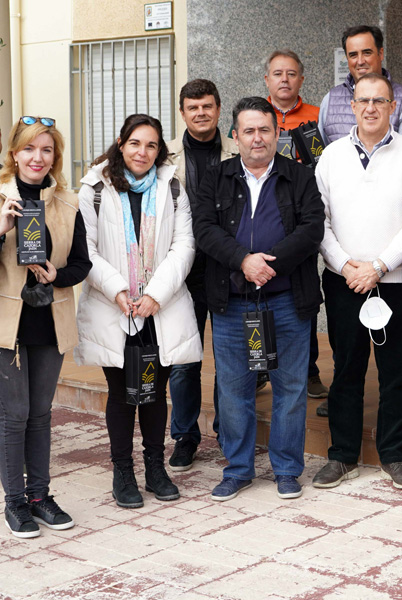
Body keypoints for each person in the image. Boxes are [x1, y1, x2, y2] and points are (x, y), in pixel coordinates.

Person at [192, 97, 324, 502]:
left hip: (287, 301)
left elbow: (313, 227)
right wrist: (243, 261)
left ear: (278, 133)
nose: (257, 138)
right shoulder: (216, 177)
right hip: (232, 303)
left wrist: (271, 265)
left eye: (265, 130)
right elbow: (204, 228)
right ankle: (238, 470)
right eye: (248, 130)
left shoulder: (299, 176)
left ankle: (287, 470)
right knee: (233, 391)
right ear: (235, 136)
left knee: (290, 389)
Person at [75, 114, 202, 509]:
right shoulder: (94, 188)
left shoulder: (173, 186)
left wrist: (155, 296)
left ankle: (155, 467)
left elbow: (185, 246)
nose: (142, 152)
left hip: (158, 307)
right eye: (135, 143)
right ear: (120, 143)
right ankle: (122, 470)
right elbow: (86, 250)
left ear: (159, 148)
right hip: (114, 306)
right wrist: (118, 290)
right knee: (120, 394)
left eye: (150, 145)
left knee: (154, 391)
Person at [313, 73, 402, 491]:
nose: (370, 108)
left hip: (395, 280)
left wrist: (378, 266)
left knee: (397, 372)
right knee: (346, 369)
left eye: (379, 101)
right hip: (344, 280)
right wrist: (346, 265)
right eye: (362, 101)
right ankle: (342, 455)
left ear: (392, 107)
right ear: (353, 106)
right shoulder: (330, 157)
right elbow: (319, 221)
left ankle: (394, 456)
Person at [0, 117, 90, 537]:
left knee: (39, 415)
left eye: (47, 150)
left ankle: (39, 497)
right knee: (14, 416)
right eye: (29, 149)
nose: (38, 157)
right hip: (8, 325)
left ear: (54, 157)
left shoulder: (68, 203)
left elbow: (82, 264)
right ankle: (14, 503)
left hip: (49, 321)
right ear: (14, 153)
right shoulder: (1, 198)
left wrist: (59, 276)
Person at [165, 78, 239, 472]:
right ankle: (185, 436)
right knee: (183, 360)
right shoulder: (164, 156)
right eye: (193, 108)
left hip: (227, 268)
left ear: (218, 108)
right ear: (182, 113)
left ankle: (228, 432)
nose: (200, 113)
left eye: (207, 106)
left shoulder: (238, 151)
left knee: (228, 357)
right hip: (182, 271)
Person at [263, 49, 329, 404]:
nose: (284, 79)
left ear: (301, 80)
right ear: (267, 80)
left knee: (304, 294)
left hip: (304, 216)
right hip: (264, 216)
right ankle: (261, 368)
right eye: (278, 73)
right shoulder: (255, 115)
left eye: (291, 74)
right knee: (260, 294)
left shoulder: (318, 116)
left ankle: (309, 370)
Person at [319, 25, 402, 145]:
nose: (360, 61)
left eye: (367, 53)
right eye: (353, 55)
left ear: (381, 53)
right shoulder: (330, 99)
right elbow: (321, 157)